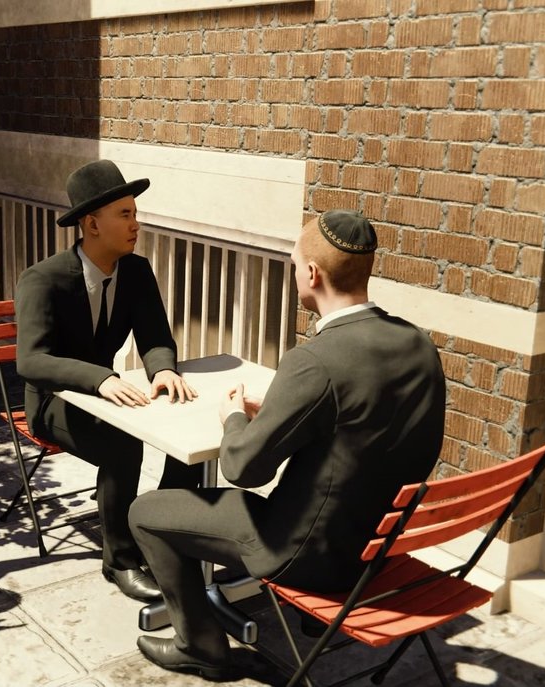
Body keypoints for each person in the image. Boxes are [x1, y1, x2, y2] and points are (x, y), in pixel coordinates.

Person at [128, 209, 447, 680]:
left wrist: (233, 417)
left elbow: (243, 468)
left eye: (295, 264)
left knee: (146, 512)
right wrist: (285, 413)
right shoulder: (418, 345)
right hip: (376, 549)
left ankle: (201, 646)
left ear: (312, 274)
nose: (295, 272)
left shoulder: (315, 360)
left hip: (304, 552)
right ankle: (309, 618)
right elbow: (368, 428)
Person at [14, 160, 201, 603]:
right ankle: (119, 560)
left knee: (189, 426)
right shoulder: (43, 279)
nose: (136, 224)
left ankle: (160, 528)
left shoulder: (136, 271)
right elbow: (32, 360)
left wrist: (164, 369)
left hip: (108, 395)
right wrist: (99, 379)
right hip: (54, 402)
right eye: (125, 214)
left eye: (135, 213)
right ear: (92, 224)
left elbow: (156, 338)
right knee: (123, 445)